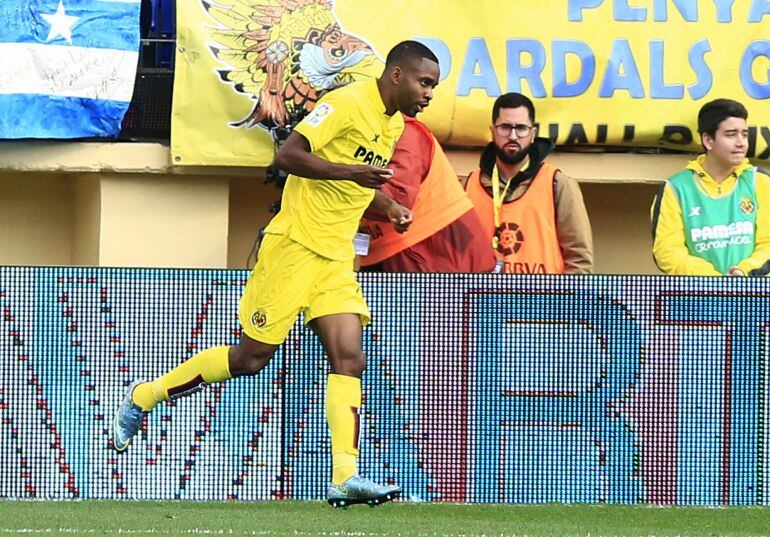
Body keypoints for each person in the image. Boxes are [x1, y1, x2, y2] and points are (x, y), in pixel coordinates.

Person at [111, 40, 441, 508]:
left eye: (433, 86)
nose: (428, 93)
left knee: (349, 359)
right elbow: (288, 157)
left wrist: (387, 205)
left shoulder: (392, 124)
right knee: (250, 360)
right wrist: (349, 172)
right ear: (396, 76)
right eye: (424, 82)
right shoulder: (347, 103)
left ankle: (345, 476)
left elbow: (355, 185)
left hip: (333, 257)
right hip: (293, 248)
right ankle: (145, 396)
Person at [464, 93, 593, 274]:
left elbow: (579, 260)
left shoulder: (557, 184)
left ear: (533, 134)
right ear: (492, 131)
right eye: (505, 127)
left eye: (521, 128)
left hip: (542, 300)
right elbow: (453, 254)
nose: (513, 135)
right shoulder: (467, 187)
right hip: (483, 300)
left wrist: (561, 302)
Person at [359, 116, 497, 272]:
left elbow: (398, 198)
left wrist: (338, 178)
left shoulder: (405, 132)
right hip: (415, 252)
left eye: (430, 89)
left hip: (432, 254)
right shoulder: (381, 128)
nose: (429, 95)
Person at [651, 98, 770, 276]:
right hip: (697, 300)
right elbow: (668, 252)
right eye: (731, 134)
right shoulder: (675, 188)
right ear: (708, 140)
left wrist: (743, 273)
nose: (741, 143)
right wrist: (715, 282)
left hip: (754, 297)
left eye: (744, 134)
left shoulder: (761, 181)